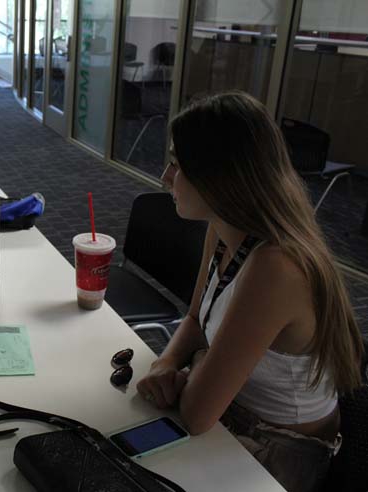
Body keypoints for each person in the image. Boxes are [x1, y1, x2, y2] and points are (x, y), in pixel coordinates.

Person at [136, 91, 363, 492]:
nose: (165, 178)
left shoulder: (275, 266)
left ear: (220, 180)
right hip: (233, 409)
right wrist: (166, 363)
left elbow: (198, 413)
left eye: (177, 165)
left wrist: (199, 358)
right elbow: (194, 319)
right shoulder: (224, 230)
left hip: (278, 448)